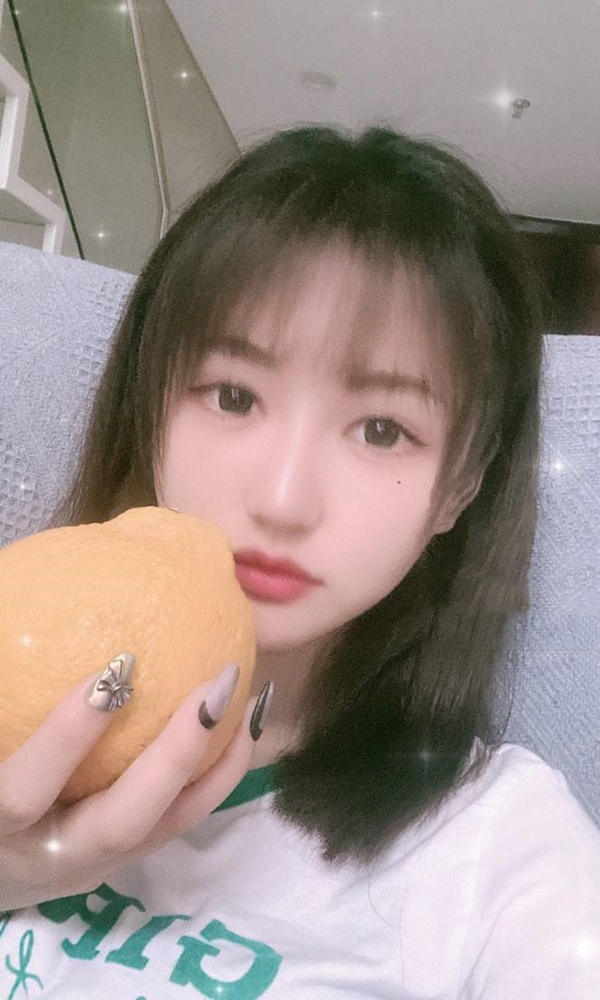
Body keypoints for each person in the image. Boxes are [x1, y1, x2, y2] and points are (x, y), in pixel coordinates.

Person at [1, 124, 599, 998]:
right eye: (233, 395)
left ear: (460, 488)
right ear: (150, 405)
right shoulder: (11, 683)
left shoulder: (497, 850)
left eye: (382, 430)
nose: (284, 500)